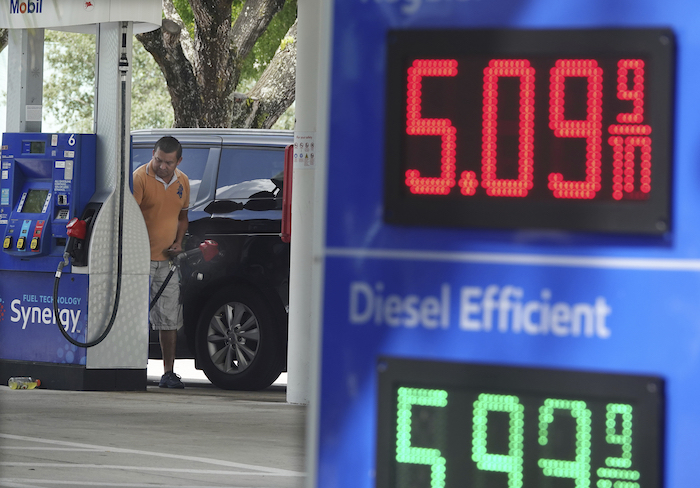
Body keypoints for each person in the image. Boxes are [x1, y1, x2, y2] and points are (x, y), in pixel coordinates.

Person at [133, 136, 190, 389]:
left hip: (167, 262)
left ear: (178, 161)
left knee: (168, 319)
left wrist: (179, 242)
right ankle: (131, 367)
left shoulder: (183, 181)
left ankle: (168, 372)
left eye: (168, 162)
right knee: (134, 317)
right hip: (139, 261)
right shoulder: (140, 178)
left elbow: (183, 217)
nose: (162, 166)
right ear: (152, 154)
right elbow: (130, 217)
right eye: (158, 160)